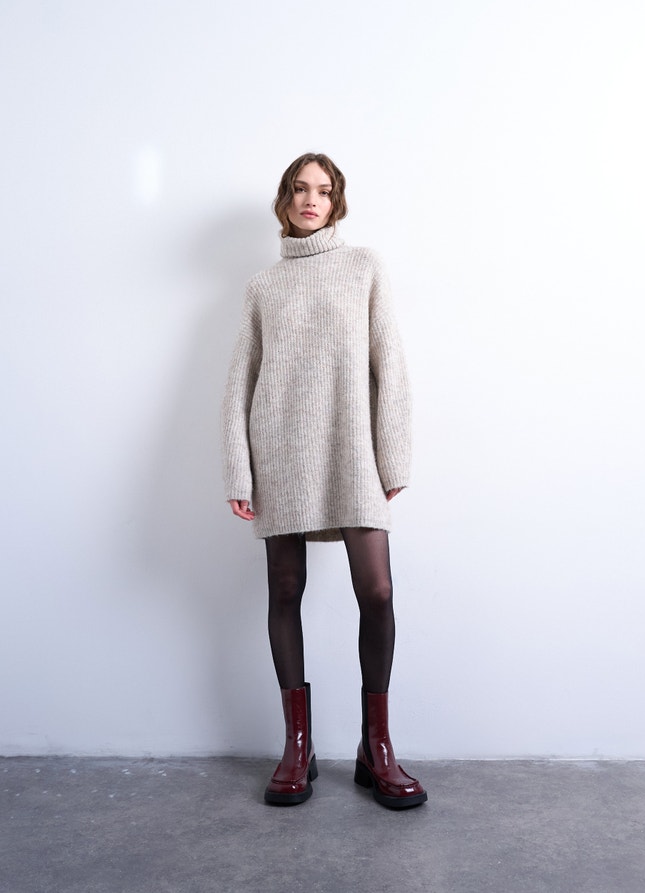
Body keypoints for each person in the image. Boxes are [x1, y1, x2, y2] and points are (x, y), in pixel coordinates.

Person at [221, 152, 426, 809]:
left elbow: (390, 364)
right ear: (285, 200)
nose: (312, 200)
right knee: (285, 588)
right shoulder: (263, 285)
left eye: (325, 190)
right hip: (280, 452)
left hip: (351, 449)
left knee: (378, 590)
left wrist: (393, 457)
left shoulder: (364, 266)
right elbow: (239, 384)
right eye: (301, 189)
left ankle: (377, 747)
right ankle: (297, 748)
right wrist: (238, 466)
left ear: (337, 201)